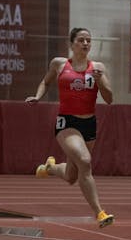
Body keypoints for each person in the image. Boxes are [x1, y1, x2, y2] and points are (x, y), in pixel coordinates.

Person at [25, 27, 114, 228]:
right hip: (67, 123)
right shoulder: (59, 64)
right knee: (85, 161)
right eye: (81, 40)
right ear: (71, 43)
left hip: (89, 124)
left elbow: (109, 99)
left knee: (71, 176)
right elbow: (45, 81)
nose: (85, 43)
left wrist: (100, 82)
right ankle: (100, 213)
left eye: (88, 40)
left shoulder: (98, 68)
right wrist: (37, 96)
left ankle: (50, 168)